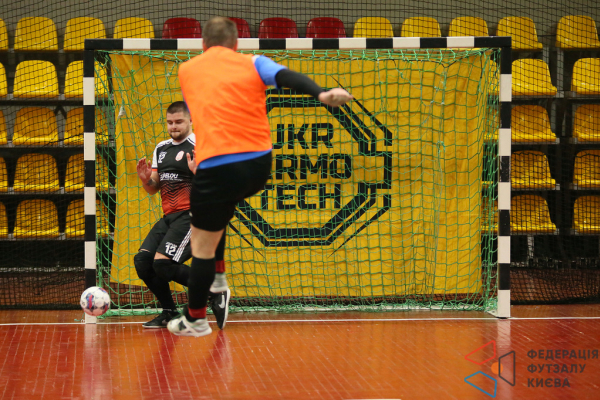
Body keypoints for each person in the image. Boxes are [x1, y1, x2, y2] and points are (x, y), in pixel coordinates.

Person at [167, 17, 353, 337]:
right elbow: (287, 76)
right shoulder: (254, 62)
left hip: (217, 166)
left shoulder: (186, 70)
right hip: (258, 166)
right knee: (221, 208)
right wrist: (321, 94)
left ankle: (195, 319)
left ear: (202, 44)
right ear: (237, 44)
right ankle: (219, 278)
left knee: (202, 244)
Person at [134, 101, 230, 329]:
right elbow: (153, 187)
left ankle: (215, 291)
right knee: (143, 262)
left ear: (191, 120)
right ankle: (169, 312)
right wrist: (146, 179)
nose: (173, 127)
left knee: (163, 264)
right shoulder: (162, 148)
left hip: (193, 215)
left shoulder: (202, 146)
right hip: (169, 216)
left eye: (178, 122)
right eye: (170, 122)